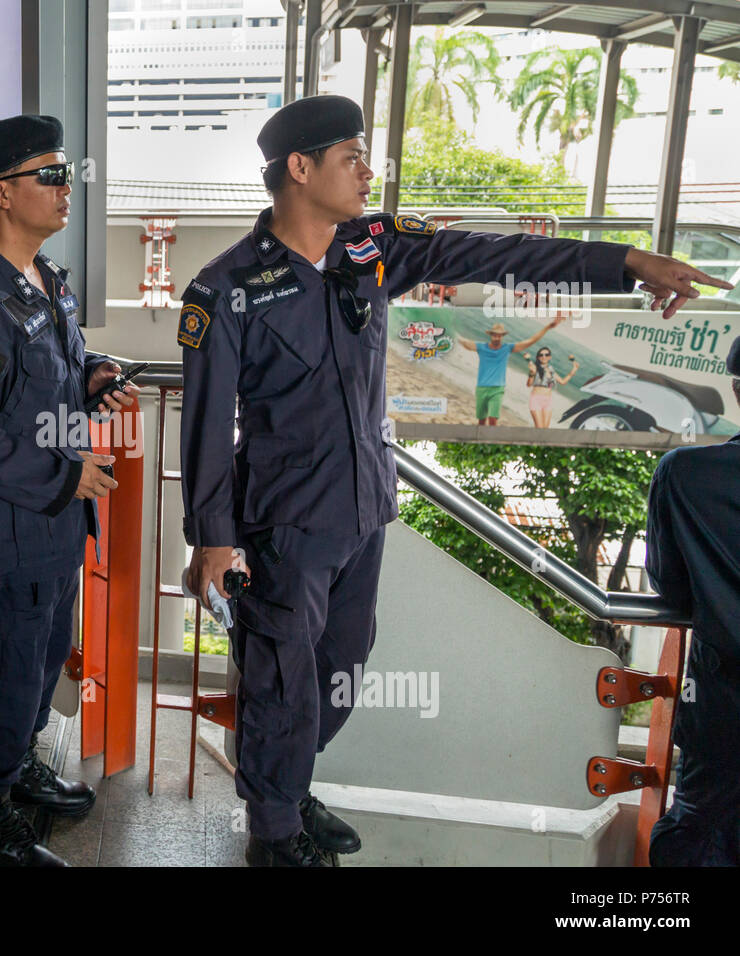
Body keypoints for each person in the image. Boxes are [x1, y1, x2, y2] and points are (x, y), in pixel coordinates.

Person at [178, 93, 731, 867]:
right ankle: (274, 838)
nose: (369, 174)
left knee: (341, 671)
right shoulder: (225, 288)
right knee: (281, 683)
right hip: (285, 523)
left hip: (364, 513)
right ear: (299, 170)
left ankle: (288, 784)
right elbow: (205, 424)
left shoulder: (371, 248)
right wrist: (213, 539)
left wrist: (627, 262)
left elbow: (486, 254)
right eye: (352, 159)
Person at [0, 114, 136, 866]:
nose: (65, 187)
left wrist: (93, 372)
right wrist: (65, 473)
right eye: (49, 175)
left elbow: (40, 375)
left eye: (66, 171)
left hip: (50, 527)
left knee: (39, 667)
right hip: (11, 532)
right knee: (5, 675)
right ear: (2, 193)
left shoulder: (42, 279)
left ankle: (14, 770)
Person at [643, 334, 740, 866]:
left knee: (699, 838)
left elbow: (671, 588)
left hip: (724, 712)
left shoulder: (685, 475)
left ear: (737, 389)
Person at [456, 318, 563, 425]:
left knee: (493, 419)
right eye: (494, 335)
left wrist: (547, 327)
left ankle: (491, 441)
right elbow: (465, 343)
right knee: (481, 420)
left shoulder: (507, 348)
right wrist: (450, 331)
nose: (497, 337)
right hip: (481, 387)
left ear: (502, 336)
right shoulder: (481, 347)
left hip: (497, 389)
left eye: (499, 335)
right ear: (491, 335)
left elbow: (530, 341)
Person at [524, 344, 579, 428]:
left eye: (546, 355)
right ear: (538, 357)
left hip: (548, 401)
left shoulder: (551, 369)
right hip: (536, 400)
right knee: (539, 429)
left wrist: (574, 370)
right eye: (541, 355)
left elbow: (562, 381)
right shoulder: (535, 367)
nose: (544, 356)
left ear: (550, 357)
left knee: (545, 429)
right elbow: (528, 384)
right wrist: (531, 373)